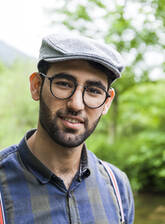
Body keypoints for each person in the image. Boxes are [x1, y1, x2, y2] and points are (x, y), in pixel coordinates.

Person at [0, 33, 134, 224]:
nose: (77, 104)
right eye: (64, 84)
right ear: (37, 86)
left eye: (94, 90)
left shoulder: (118, 187)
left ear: (107, 102)